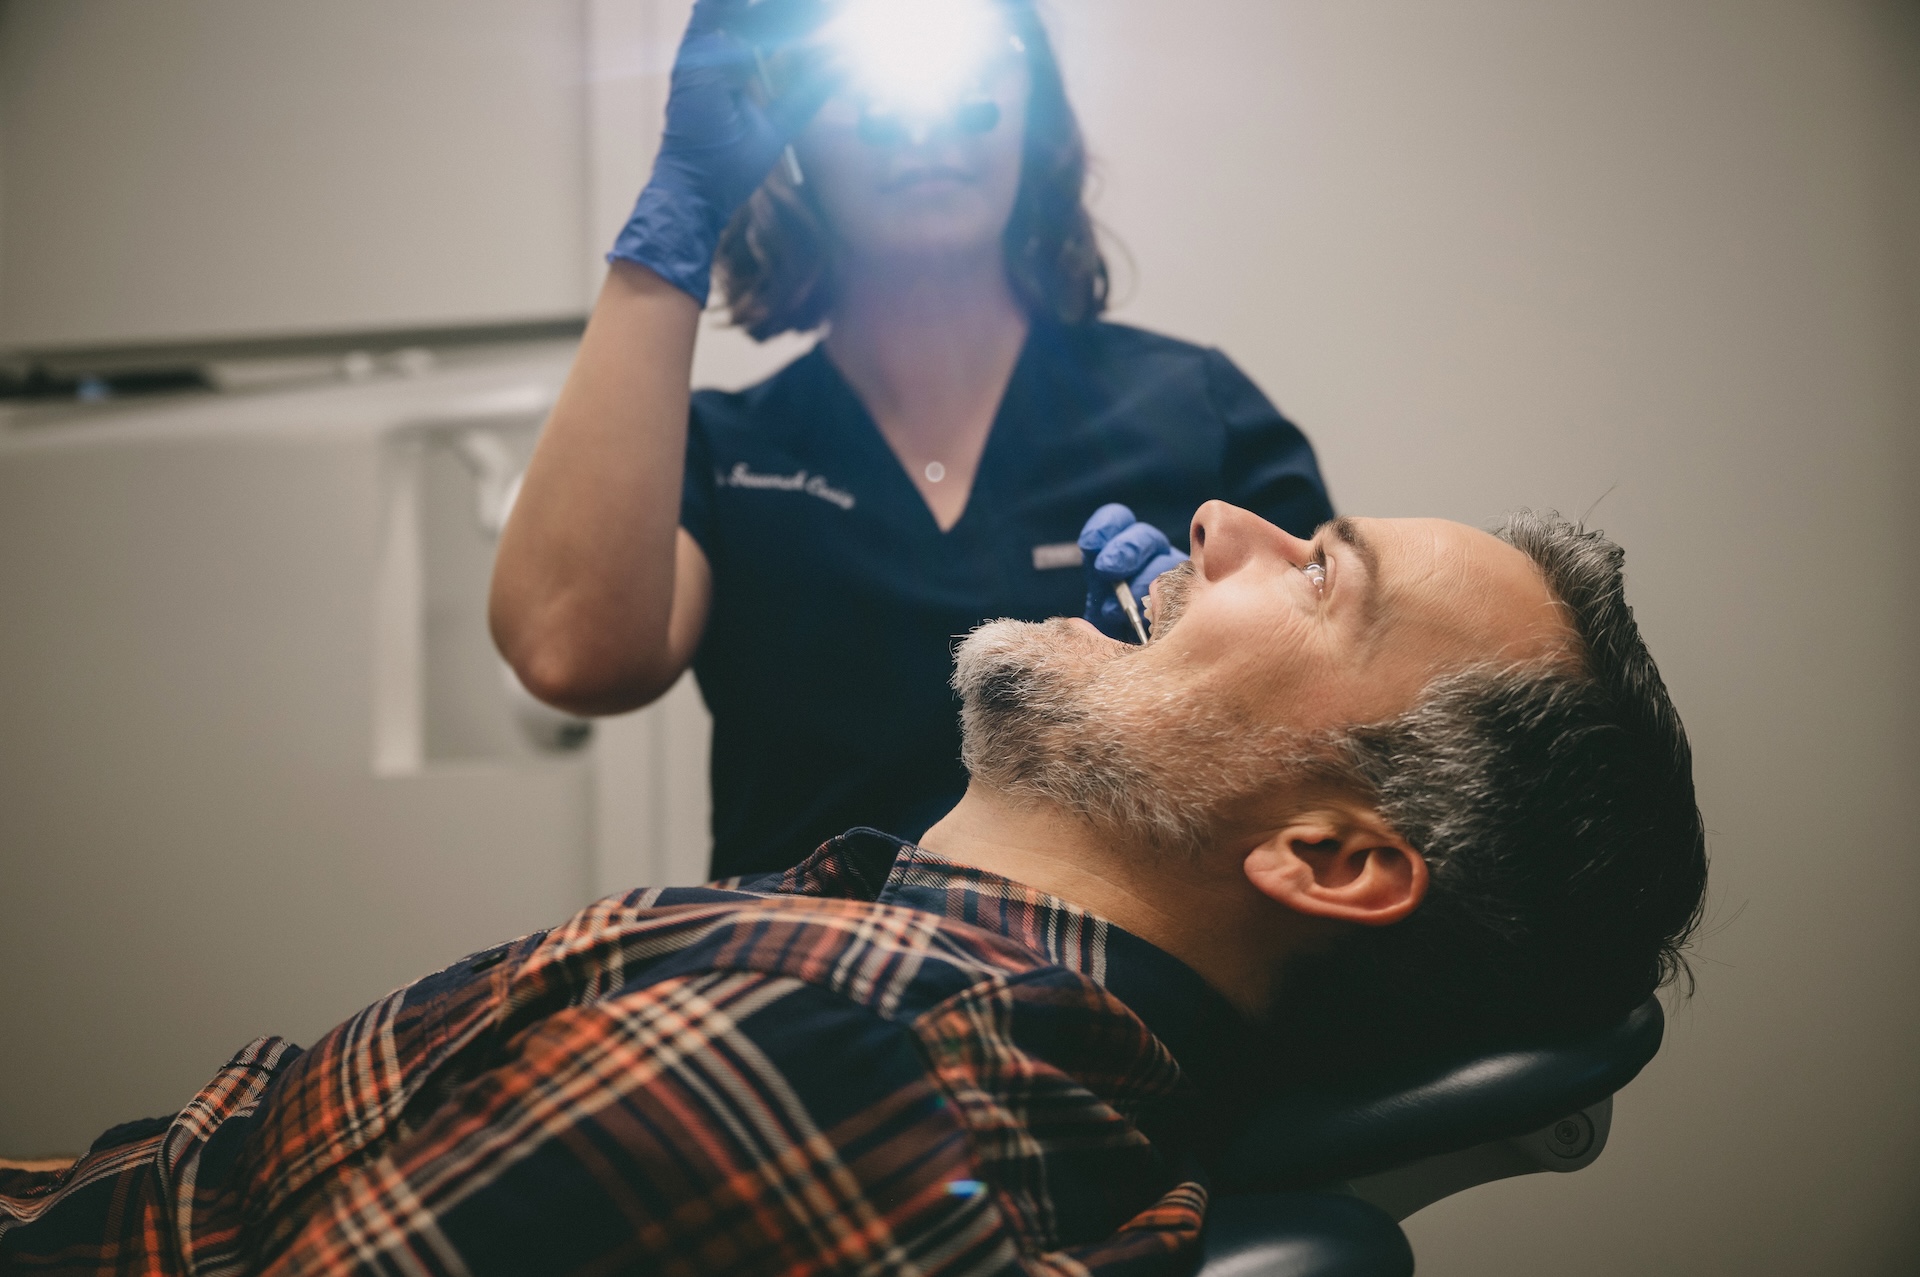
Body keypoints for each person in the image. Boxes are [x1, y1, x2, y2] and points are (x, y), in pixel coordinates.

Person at [3, 503, 1708, 1276]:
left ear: (1328, 856)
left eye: (1318, 571)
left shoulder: (827, 1066)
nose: (1211, 523)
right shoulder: (880, 988)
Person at [488, 0, 1334, 878]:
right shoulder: (725, 448)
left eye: (968, 56)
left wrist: (1199, 681)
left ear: (1030, 108)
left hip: (1104, 985)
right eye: (863, 72)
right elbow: (567, 651)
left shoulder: (1195, 410)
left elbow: (1346, 743)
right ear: (791, 125)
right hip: (795, 985)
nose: (926, 123)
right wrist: (681, 208)